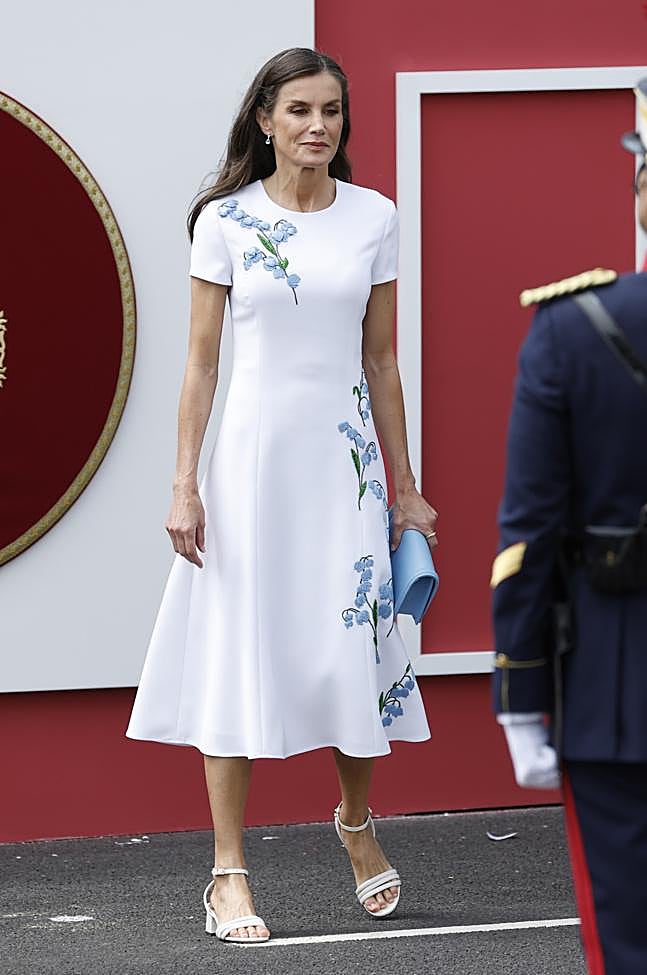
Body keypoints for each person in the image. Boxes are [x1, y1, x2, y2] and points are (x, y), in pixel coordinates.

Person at [126, 47, 437, 944]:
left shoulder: (373, 216)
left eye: (331, 111)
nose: (318, 125)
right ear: (264, 118)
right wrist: (183, 483)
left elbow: (381, 360)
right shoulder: (224, 222)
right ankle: (228, 873)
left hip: (343, 469)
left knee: (354, 645)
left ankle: (353, 822)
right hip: (249, 467)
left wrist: (406, 489)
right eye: (299, 109)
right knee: (234, 653)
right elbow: (199, 364)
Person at [490, 79, 647, 975]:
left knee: (625, 935)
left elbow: (528, 537)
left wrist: (519, 697)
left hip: (616, 694)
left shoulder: (570, 332)